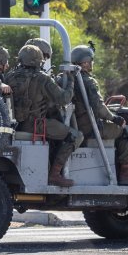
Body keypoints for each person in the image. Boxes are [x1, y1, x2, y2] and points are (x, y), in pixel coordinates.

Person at [6, 45, 79, 187]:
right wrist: (71, 81)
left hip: (14, 126)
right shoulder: (42, 78)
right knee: (76, 135)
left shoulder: (9, 76)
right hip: (36, 126)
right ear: (38, 61)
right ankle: (55, 174)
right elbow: (64, 99)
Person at [71, 44, 128, 185]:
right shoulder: (88, 81)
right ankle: (125, 172)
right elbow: (99, 108)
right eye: (91, 60)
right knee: (127, 131)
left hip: (77, 125)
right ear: (85, 63)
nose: (92, 63)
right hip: (90, 128)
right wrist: (114, 118)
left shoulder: (69, 78)